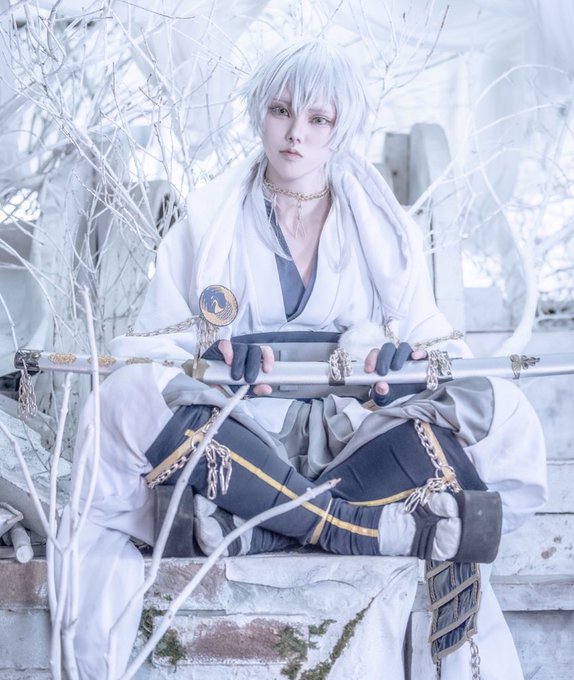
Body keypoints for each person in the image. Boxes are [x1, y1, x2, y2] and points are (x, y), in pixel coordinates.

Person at [60, 39, 547, 679]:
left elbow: (436, 347)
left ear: (342, 128)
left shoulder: (383, 225)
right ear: (259, 112)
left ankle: (262, 527)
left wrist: (398, 370)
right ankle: (355, 529)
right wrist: (212, 356)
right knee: (121, 398)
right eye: (282, 111)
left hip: (356, 439)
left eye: (319, 119)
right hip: (245, 433)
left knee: (503, 409)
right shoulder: (210, 219)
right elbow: (156, 345)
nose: (296, 134)